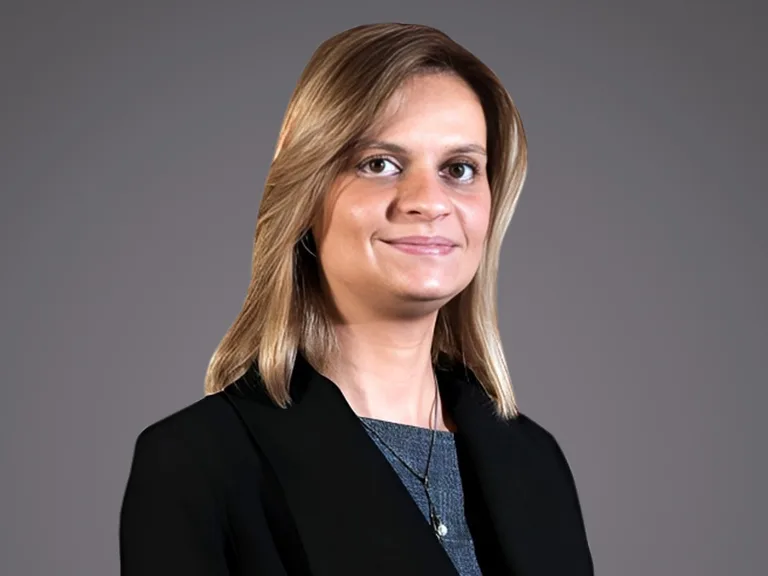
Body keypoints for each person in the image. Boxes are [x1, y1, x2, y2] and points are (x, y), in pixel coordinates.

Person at [119, 22, 594, 576]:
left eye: (459, 169)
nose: (428, 202)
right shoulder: (196, 463)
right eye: (379, 164)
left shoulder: (536, 462)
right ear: (306, 194)